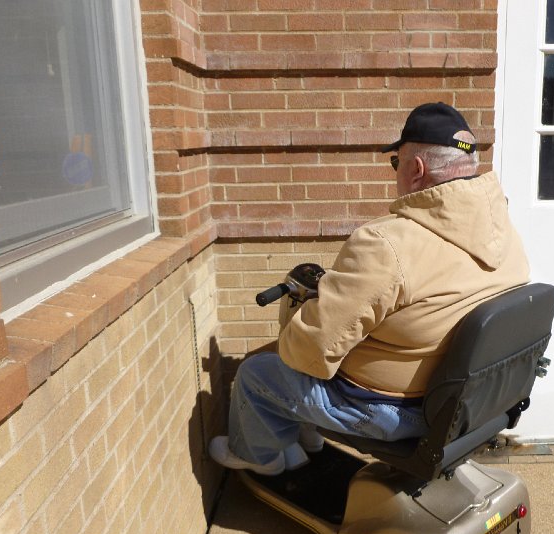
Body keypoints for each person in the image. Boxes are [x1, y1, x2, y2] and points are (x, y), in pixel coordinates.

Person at [209, 102, 530, 475]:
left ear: (416, 169)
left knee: (258, 373)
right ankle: (307, 439)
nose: (396, 172)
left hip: (392, 412)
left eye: (396, 162)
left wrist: (309, 312)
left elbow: (308, 352)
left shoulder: (385, 244)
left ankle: (258, 457)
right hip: (468, 404)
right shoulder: (504, 231)